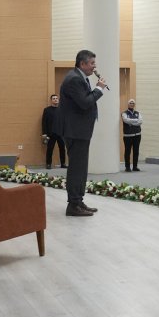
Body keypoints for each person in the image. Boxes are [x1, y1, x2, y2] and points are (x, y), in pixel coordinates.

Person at [55, 49, 108, 217]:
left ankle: (78, 201)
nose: (94, 66)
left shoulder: (79, 77)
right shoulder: (74, 79)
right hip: (75, 131)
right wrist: (99, 89)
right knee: (77, 168)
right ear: (82, 63)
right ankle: (73, 205)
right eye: (92, 63)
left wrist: (96, 89)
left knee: (81, 167)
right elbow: (85, 103)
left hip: (79, 130)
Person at [41, 94, 66, 169]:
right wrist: (44, 133)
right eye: (54, 98)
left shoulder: (62, 110)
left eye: (56, 98)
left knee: (62, 148)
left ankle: (63, 164)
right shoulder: (47, 110)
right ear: (51, 100)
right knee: (50, 149)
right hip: (51, 133)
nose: (55, 99)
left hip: (60, 133)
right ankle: (48, 164)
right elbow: (44, 122)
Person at [121, 99, 142, 172]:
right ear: (128, 104)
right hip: (127, 136)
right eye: (130, 103)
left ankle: (135, 166)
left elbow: (140, 121)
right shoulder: (124, 113)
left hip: (137, 135)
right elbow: (125, 120)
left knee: (136, 151)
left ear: (134, 105)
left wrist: (131, 122)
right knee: (127, 151)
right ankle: (127, 167)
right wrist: (135, 120)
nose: (132, 104)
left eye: (133, 103)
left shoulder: (138, 113)